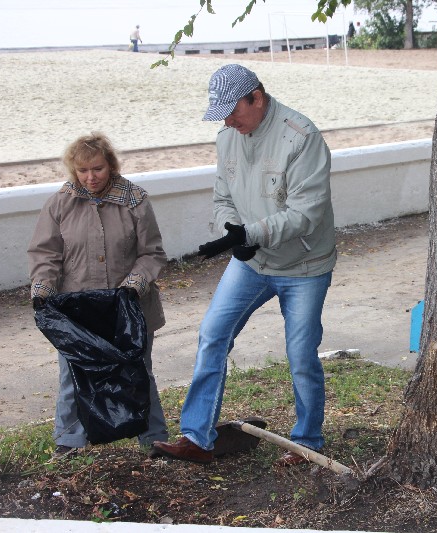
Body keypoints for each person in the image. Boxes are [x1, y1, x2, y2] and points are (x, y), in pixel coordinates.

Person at [151, 64, 336, 466]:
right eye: (221, 115)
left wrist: (248, 235)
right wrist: (232, 233)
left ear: (257, 97)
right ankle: (197, 438)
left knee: (301, 354)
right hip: (252, 262)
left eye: (233, 111)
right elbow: (222, 200)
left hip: (304, 266)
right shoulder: (227, 138)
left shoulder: (302, 137)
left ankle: (307, 443)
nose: (228, 122)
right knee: (212, 334)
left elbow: (305, 214)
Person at [28, 133, 169, 459]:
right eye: (83, 171)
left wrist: (133, 286)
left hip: (130, 309)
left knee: (139, 374)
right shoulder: (59, 204)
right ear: (73, 170)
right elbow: (45, 255)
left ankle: (154, 440)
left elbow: (152, 253)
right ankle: (68, 443)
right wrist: (42, 290)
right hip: (78, 313)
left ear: (111, 166)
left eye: (98, 169)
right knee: (72, 375)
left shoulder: (135, 200)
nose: (90, 177)